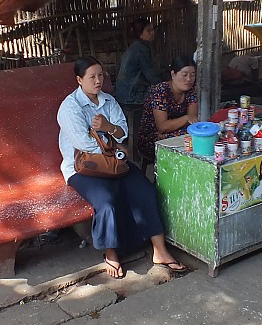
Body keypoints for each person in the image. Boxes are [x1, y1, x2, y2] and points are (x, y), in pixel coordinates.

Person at [57, 56, 187, 279]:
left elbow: (123, 131)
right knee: (107, 201)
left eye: (101, 75)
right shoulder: (70, 107)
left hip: (113, 163)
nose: (98, 81)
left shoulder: (108, 101)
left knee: (145, 191)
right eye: (92, 77)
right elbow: (84, 144)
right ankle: (111, 253)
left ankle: (160, 251)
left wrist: (107, 127)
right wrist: (117, 148)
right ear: (79, 80)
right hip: (83, 167)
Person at [139, 54, 199, 160]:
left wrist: (169, 131)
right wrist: (185, 118)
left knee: (197, 136)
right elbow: (162, 127)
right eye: (184, 75)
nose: (189, 79)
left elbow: (192, 121)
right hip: (152, 139)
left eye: (192, 75)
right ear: (173, 74)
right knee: (192, 140)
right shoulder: (160, 91)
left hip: (174, 135)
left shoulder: (190, 91)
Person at [115, 19, 162, 105]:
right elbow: (150, 75)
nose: (153, 32)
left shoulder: (135, 46)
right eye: (149, 30)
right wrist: (165, 86)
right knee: (162, 97)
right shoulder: (141, 49)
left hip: (122, 92)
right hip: (130, 94)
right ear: (140, 34)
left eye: (152, 29)